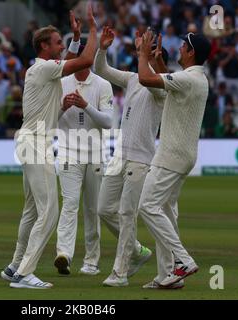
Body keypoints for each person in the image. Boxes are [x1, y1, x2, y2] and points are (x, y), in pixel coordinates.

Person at [1, 5, 99, 289]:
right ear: (44, 46)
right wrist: (92, 29)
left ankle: (15, 266)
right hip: (35, 144)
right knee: (49, 212)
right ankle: (25, 274)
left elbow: (69, 59)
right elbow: (84, 61)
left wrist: (76, 39)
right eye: (58, 42)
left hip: (30, 140)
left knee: (32, 210)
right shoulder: (44, 68)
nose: (62, 45)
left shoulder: (42, 69)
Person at [94, 27, 168, 287]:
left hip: (140, 159)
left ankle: (120, 272)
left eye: (142, 52)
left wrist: (145, 53)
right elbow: (101, 70)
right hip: (120, 155)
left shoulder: (161, 85)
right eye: (137, 51)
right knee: (103, 209)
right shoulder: (131, 79)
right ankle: (136, 251)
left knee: (127, 213)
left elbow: (150, 79)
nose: (138, 55)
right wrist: (102, 48)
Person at [136, 31, 211, 288]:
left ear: (191, 52)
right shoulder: (196, 78)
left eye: (183, 46)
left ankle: (183, 260)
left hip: (171, 155)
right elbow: (170, 83)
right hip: (182, 155)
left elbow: (145, 79)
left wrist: (142, 53)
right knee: (165, 212)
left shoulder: (188, 79)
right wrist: (158, 62)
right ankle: (168, 275)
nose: (179, 48)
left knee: (147, 206)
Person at [53, 44, 113, 276]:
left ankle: (91, 260)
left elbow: (108, 122)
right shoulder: (61, 83)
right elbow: (51, 120)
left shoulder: (102, 85)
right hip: (68, 152)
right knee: (69, 204)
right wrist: (62, 107)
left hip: (95, 154)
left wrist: (85, 106)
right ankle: (64, 254)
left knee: (92, 209)